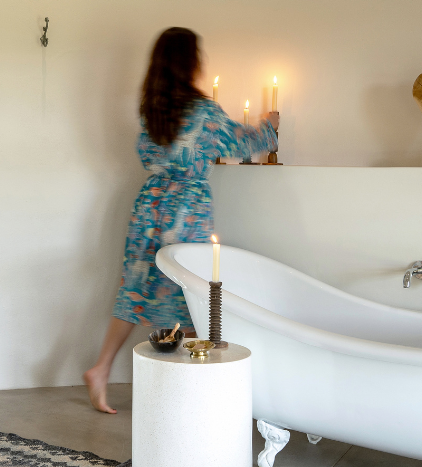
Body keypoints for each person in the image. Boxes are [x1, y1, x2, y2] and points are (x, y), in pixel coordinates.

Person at [83, 27, 278, 414]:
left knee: (136, 286)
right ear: (190, 62)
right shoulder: (204, 112)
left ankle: (102, 367)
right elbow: (247, 143)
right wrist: (270, 122)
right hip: (186, 209)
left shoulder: (151, 110)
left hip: (149, 206)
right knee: (192, 293)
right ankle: (195, 388)